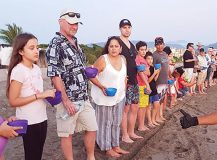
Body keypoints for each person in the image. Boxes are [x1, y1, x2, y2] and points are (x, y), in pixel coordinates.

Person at [45, 9, 98, 160]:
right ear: (60, 22)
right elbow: (55, 74)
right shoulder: (55, 44)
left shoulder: (76, 42)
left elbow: (79, 67)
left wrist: (88, 71)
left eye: (77, 24)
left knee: (92, 128)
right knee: (66, 134)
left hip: (83, 97)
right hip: (67, 100)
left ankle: (90, 157)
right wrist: (65, 100)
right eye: (71, 23)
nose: (74, 27)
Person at [6, 33, 56, 160]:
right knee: (32, 155)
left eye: (37, 47)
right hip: (28, 121)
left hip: (42, 118)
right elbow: (13, 101)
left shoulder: (36, 69)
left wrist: (48, 95)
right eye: (31, 48)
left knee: (38, 154)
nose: (36, 51)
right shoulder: (19, 71)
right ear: (21, 51)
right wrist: (39, 95)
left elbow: (36, 92)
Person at [89, 36, 129, 158]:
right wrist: (101, 87)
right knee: (105, 123)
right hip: (104, 96)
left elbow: (123, 77)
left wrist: (124, 87)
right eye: (111, 46)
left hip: (119, 97)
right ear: (108, 48)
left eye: (116, 46)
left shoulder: (123, 59)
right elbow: (91, 75)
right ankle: (107, 148)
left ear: (121, 48)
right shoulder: (103, 59)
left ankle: (115, 145)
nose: (113, 48)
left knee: (116, 122)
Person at [118, 19, 143, 143]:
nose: (127, 30)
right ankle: (124, 135)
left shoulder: (132, 45)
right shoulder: (117, 43)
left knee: (135, 108)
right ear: (120, 29)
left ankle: (131, 132)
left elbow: (134, 62)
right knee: (125, 110)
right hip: (125, 83)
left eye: (129, 27)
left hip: (135, 81)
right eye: (124, 27)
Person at [135, 41, 151, 131]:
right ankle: (140, 126)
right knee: (141, 106)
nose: (144, 52)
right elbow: (140, 72)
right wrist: (147, 84)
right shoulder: (138, 59)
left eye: (145, 49)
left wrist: (143, 70)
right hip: (141, 85)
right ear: (137, 50)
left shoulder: (143, 59)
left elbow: (148, 73)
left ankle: (142, 124)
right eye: (141, 50)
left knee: (144, 105)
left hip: (144, 84)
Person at [153, 37, 169, 121]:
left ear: (164, 44)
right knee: (158, 100)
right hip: (158, 81)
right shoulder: (154, 55)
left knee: (162, 99)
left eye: (161, 44)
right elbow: (152, 68)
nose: (159, 46)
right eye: (157, 44)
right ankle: (156, 117)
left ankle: (160, 115)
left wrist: (169, 76)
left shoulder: (165, 54)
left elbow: (167, 66)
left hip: (165, 80)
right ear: (155, 46)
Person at [145, 51, 163, 126]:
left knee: (156, 105)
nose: (150, 60)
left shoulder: (152, 68)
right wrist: (155, 73)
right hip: (148, 90)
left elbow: (154, 80)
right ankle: (149, 122)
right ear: (145, 59)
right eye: (148, 58)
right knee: (148, 107)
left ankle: (153, 120)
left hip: (154, 89)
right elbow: (147, 81)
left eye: (151, 59)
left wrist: (157, 72)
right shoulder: (145, 69)